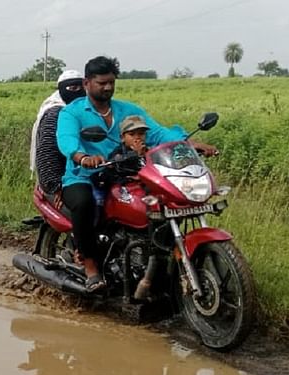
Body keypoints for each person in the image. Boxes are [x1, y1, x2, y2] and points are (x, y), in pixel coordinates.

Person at [56, 56, 217, 292]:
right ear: (87, 82)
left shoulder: (128, 110)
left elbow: (158, 134)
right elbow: (66, 139)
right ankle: (91, 267)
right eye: (102, 83)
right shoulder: (72, 113)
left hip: (124, 174)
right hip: (85, 175)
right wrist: (82, 157)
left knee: (157, 204)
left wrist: (188, 143)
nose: (108, 87)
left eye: (111, 82)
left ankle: (155, 263)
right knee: (83, 202)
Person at [30, 70, 86, 200]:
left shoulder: (87, 109)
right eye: (72, 88)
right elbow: (48, 152)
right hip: (64, 178)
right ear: (61, 90)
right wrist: (56, 185)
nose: (77, 91)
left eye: (81, 87)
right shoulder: (55, 114)